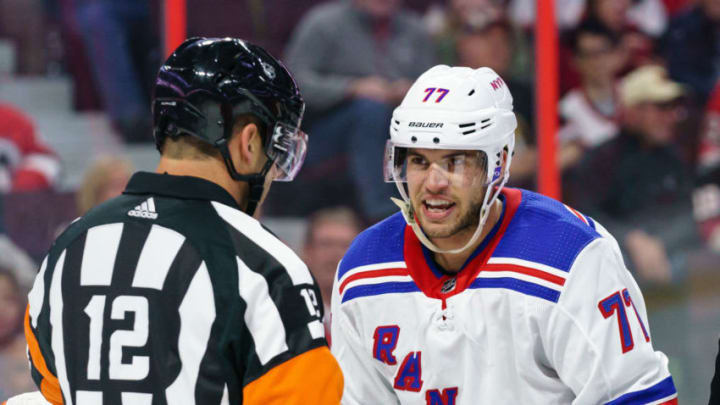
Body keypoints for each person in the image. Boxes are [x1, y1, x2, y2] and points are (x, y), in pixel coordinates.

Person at [13, 37, 343, 405]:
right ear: (249, 142)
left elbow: (51, 391)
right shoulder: (264, 265)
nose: (272, 173)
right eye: (276, 148)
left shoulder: (70, 245)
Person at [330, 65, 677, 403]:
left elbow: (637, 396)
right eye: (419, 161)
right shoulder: (363, 267)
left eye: (455, 162)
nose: (433, 184)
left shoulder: (570, 256)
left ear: (499, 162)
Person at [282, 0, 435, 220]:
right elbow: (293, 83)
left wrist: (412, 90)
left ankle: (424, 203)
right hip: (325, 130)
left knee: (421, 122)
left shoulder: (416, 30)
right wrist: (351, 88)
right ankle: (381, 212)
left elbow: (435, 84)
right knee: (369, 110)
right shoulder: (324, 23)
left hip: (397, 120)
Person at [302, 206, 362, 338]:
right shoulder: (288, 312)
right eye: (326, 244)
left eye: (344, 245)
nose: (335, 255)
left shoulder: (372, 314)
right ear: (307, 251)